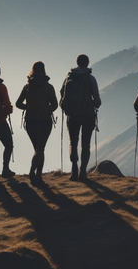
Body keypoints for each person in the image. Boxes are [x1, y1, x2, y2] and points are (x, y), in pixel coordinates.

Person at [16, 61, 58, 186]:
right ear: (43, 70)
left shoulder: (27, 86)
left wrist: (28, 107)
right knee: (40, 148)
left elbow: (18, 104)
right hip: (45, 121)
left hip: (30, 121)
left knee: (38, 148)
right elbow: (55, 105)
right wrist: (46, 110)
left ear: (33, 70)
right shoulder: (48, 87)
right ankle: (34, 172)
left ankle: (38, 176)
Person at [60, 54, 101, 182]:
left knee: (73, 142)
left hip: (72, 115)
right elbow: (98, 101)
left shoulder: (68, 78)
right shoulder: (91, 79)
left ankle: (73, 170)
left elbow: (62, 97)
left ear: (77, 62)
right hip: (88, 114)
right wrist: (92, 103)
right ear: (87, 63)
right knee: (85, 144)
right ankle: (83, 172)